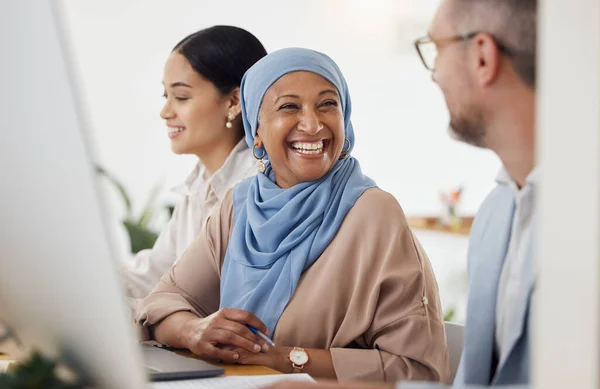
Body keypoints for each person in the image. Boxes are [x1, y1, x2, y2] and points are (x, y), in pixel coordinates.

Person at [262, 0, 538, 388]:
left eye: (435, 49)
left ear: (482, 57)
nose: (434, 75)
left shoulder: (577, 214)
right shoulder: (498, 213)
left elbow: (416, 367)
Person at [135, 48, 450, 383]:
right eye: (289, 107)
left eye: (328, 104)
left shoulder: (373, 214)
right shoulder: (240, 205)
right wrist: (194, 331)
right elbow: (162, 302)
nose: (313, 124)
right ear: (256, 130)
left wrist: (284, 358)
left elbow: (417, 370)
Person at [121, 26, 267, 300]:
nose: (165, 112)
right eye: (166, 96)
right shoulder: (199, 186)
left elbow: (198, 301)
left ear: (234, 101)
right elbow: (154, 275)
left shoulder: (259, 190)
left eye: (181, 97)